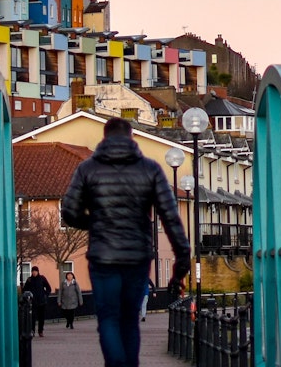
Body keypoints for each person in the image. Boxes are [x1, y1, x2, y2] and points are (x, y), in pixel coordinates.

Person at [62, 117, 191, 367]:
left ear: (104, 137)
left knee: (109, 318)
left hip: (103, 257)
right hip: (137, 256)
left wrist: (95, 223)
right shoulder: (150, 169)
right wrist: (181, 266)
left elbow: (69, 212)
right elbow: (171, 218)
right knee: (130, 320)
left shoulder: (88, 169)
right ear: (132, 138)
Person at [23, 267, 53, 337]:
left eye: (35, 271)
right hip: (32, 302)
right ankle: (32, 330)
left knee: (41, 317)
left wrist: (45, 295)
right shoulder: (29, 280)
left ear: (38, 272)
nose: (34, 273)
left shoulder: (42, 278)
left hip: (41, 301)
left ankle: (40, 330)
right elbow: (25, 289)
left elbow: (48, 288)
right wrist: (28, 296)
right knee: (32, 317)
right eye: (33, 271)